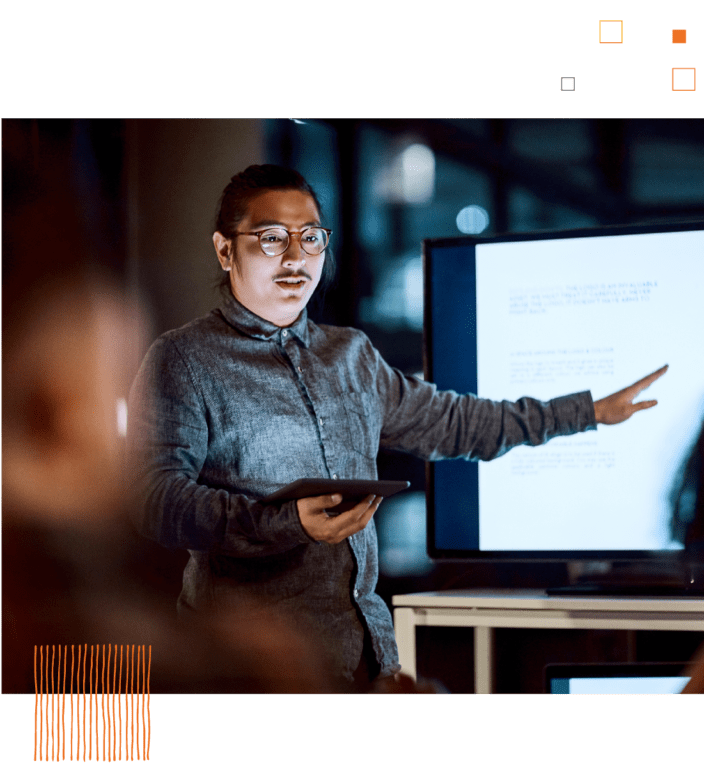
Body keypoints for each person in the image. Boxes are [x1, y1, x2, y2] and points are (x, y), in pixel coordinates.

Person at [127, 164, 668, 691]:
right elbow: (152, 498)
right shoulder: (183, 359)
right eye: (271, 238)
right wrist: (286, 522)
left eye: (310, 238)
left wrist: (588, 411)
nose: (296, 258)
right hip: (248, 675)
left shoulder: (351, 356)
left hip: (366, 666)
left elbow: (456, 422)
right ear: (225, 250)